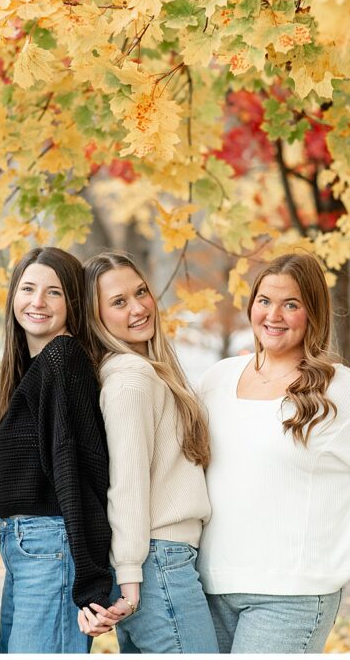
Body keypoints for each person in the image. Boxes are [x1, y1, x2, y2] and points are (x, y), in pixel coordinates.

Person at [196, 251, 350, 653]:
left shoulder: (337, 390)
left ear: (312, 313)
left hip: (290, 595)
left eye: (291, 304)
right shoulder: (216, 380)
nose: (273, 315)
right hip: (211, 584)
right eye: (264, 301)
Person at [76, 251, 219, 653]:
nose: (138, 308)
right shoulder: (131, 379)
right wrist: (130, 577)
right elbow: (127, 482)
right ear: (95, 316)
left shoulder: (145, 371)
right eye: (119, 302)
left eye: (141, 292)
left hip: (158, 564)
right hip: (158, 565)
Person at [0, 247, 112, 653]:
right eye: (28, 289)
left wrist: (91, 584)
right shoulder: (34, 369)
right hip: (28, 551)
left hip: (52, 549)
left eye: (54, 292)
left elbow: (78, 474)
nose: (37, 302)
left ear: (73, 303)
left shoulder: (63, 358)